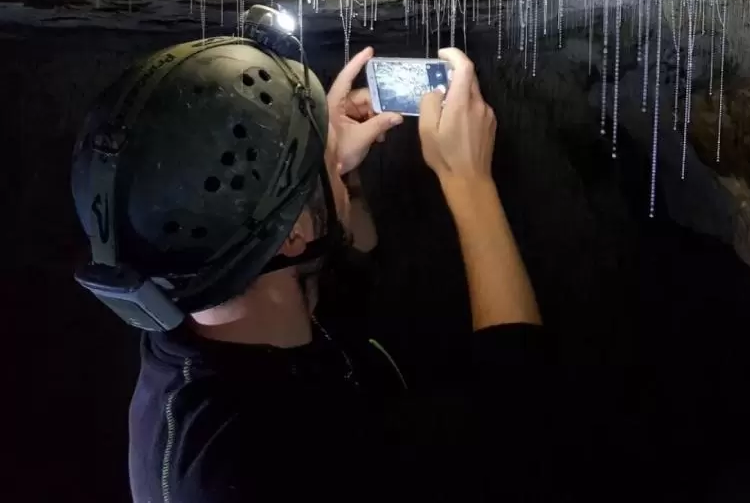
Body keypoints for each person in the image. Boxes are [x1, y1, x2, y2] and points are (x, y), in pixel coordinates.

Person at [70, 37, 548, 502]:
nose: (336, 146)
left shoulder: (216, 300)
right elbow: (516, 436)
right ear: (294, 231)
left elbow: (341, 296)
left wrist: (335, 183)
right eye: (323, 149)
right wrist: (467, 178)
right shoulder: (259, 467)